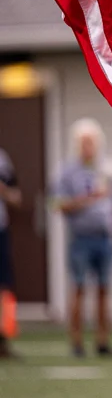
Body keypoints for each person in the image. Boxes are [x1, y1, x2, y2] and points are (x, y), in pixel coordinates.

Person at [52, 119, 112, 357]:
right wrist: (89, 198)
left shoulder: (109, 168)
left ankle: (102, 341)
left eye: (91, 142)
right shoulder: (67, 171)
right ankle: (76, 342)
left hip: (104, 236)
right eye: (84, 142)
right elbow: (57, 205)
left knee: (104, 289)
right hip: (80, 237)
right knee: (79, 288)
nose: (88, 147)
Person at [0, 145, 21, 359]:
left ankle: (3, 338)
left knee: (4, 285)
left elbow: (16, 196)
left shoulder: (2, 159)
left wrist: (3, 191)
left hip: (0, 230)